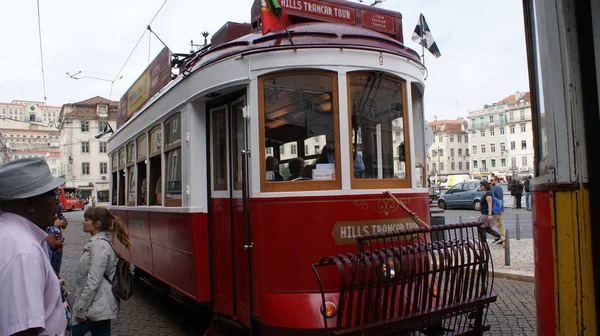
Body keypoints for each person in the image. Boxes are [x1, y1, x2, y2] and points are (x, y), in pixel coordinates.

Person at [0, 158, 68, 336]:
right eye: (52, 195)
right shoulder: (22, 252)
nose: (57, 203)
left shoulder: (12, 236)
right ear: (29, 204)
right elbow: (22, 330)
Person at [71, 206, 132, 336]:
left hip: (95, 308)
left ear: (97, 224)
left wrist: (81, 309)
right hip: (99, 307)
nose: (83, 222)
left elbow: (93, 280)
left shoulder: (99, 246)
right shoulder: (99, 244)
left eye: (86, 219)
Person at [490, 176, 506, 247]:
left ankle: (498, 237)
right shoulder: (494, 188)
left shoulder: (498, 188)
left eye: (492, 180)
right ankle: (502, 237)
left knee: (493, 223)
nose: (491, 181)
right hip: (496, 209)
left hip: (497, 209)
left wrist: (499, 210)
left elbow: (500, 199)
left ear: (496, 180)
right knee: (500, 223)